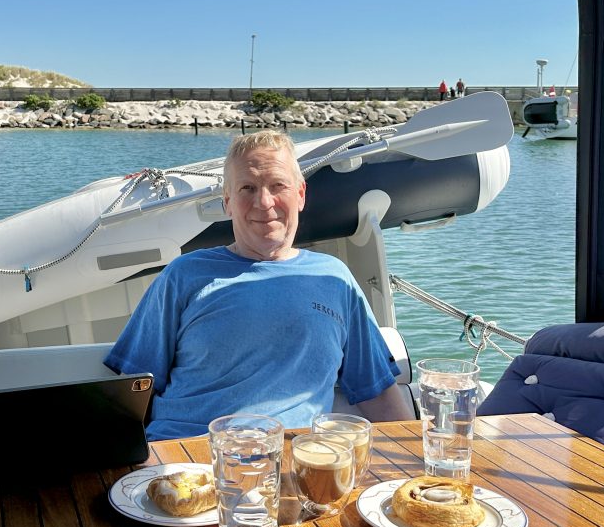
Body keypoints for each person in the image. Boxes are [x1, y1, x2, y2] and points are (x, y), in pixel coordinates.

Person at [104, 131, 415, 441]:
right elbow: (135, 388)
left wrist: (413, 454)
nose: (264, 202)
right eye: (247, 188)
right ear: (227, 201)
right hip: (185, 450)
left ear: (300, 194)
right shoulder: (183, 275)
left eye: (278, 185)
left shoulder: (335, 279)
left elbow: (376, 391)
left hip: (290, 455)